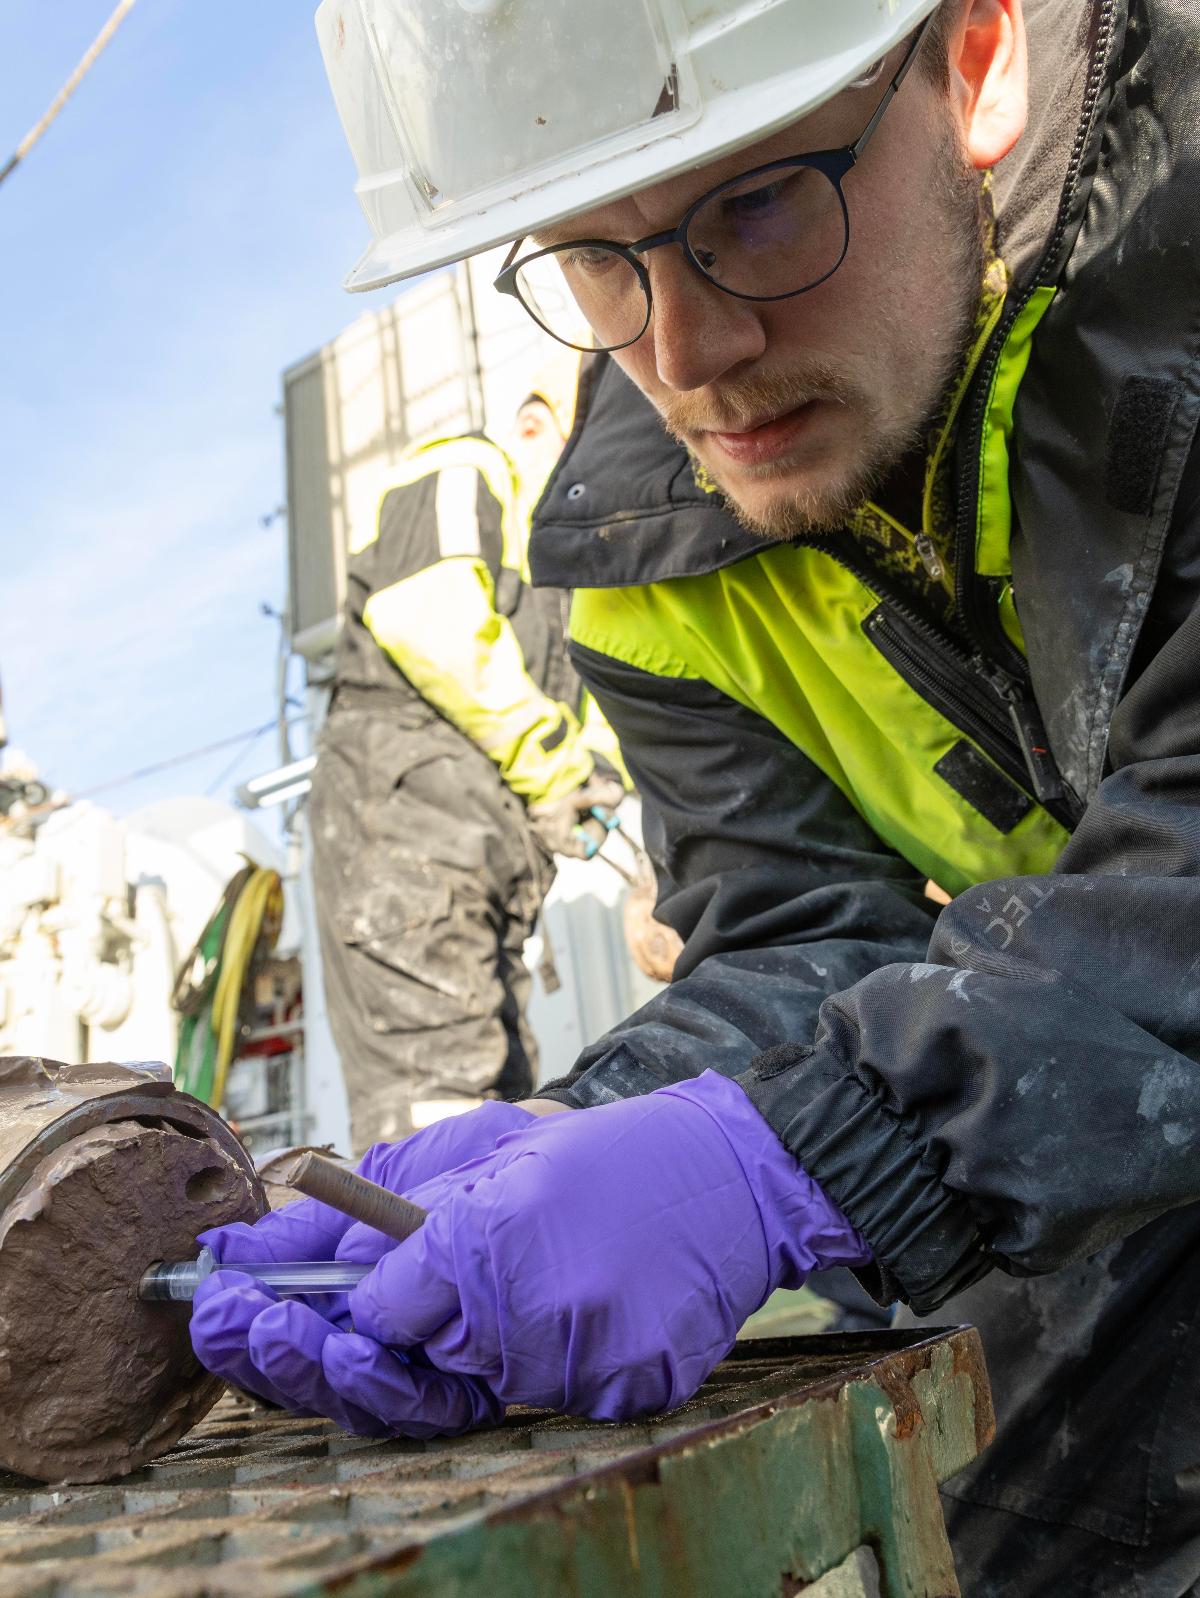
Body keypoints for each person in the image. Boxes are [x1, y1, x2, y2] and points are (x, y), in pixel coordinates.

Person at [193, 2, 1200, 1591]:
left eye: (754, 204)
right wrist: (589, 1133)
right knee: (1012, 1515)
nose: (683, 355)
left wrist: (805, 1156)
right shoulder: (649, 535)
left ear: (982, 59)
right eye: (595, 257)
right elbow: (800, 932)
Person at [307, 365, 624, 1151]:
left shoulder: (570, 576)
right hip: (410, 833)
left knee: (499, 1104)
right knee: (442, 1107)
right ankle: (435, 1271)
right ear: (534, 430)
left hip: (479, 851)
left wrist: (599, 775)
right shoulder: (466, 465)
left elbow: (600, 700)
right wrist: (556, 765)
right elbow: (427, 613)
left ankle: (485, 1267)